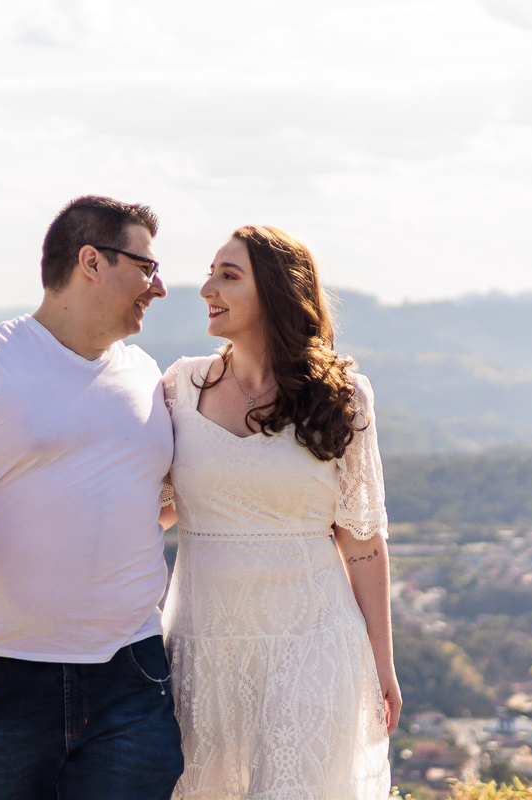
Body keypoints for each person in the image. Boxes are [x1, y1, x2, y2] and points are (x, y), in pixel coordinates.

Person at [0, 195, 184, 800]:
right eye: (146, 267)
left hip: (132, 673)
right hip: (2, 677)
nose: (158, 287)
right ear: (91, 261)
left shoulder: (145, 374)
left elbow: (148, 501)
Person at [159, 225, 399, 800]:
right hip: (203, 648)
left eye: (228, 275)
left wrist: (382, 665)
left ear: (275, 291)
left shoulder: (343, 396)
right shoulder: (178, 387)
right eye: (210, 273)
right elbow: (148, 513)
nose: (207, 289)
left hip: (314, 641)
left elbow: (362, 540)